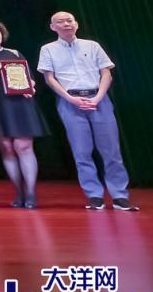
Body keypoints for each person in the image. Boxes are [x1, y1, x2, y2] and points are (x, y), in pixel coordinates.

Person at [37, 11, 137, 211]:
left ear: (77, 24)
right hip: (70, 101)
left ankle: (119, 196)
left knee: (111, 151)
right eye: (61, 22)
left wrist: (98, 97)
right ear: (53, 27)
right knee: (82, 152)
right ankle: (94, 195)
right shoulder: (48, 49)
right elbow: (49, 79)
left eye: (70, 20)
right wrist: (71, 99)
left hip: (98, 99)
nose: (66, 24)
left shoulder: (92, 46)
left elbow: (106, 73)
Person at [0, 19, 49, 209]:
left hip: (20, 104)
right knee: (6, 148)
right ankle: (19, 192)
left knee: (24, 146)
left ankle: (31, 194)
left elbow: (30, 79)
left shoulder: (14, 53)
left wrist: (30, 87)